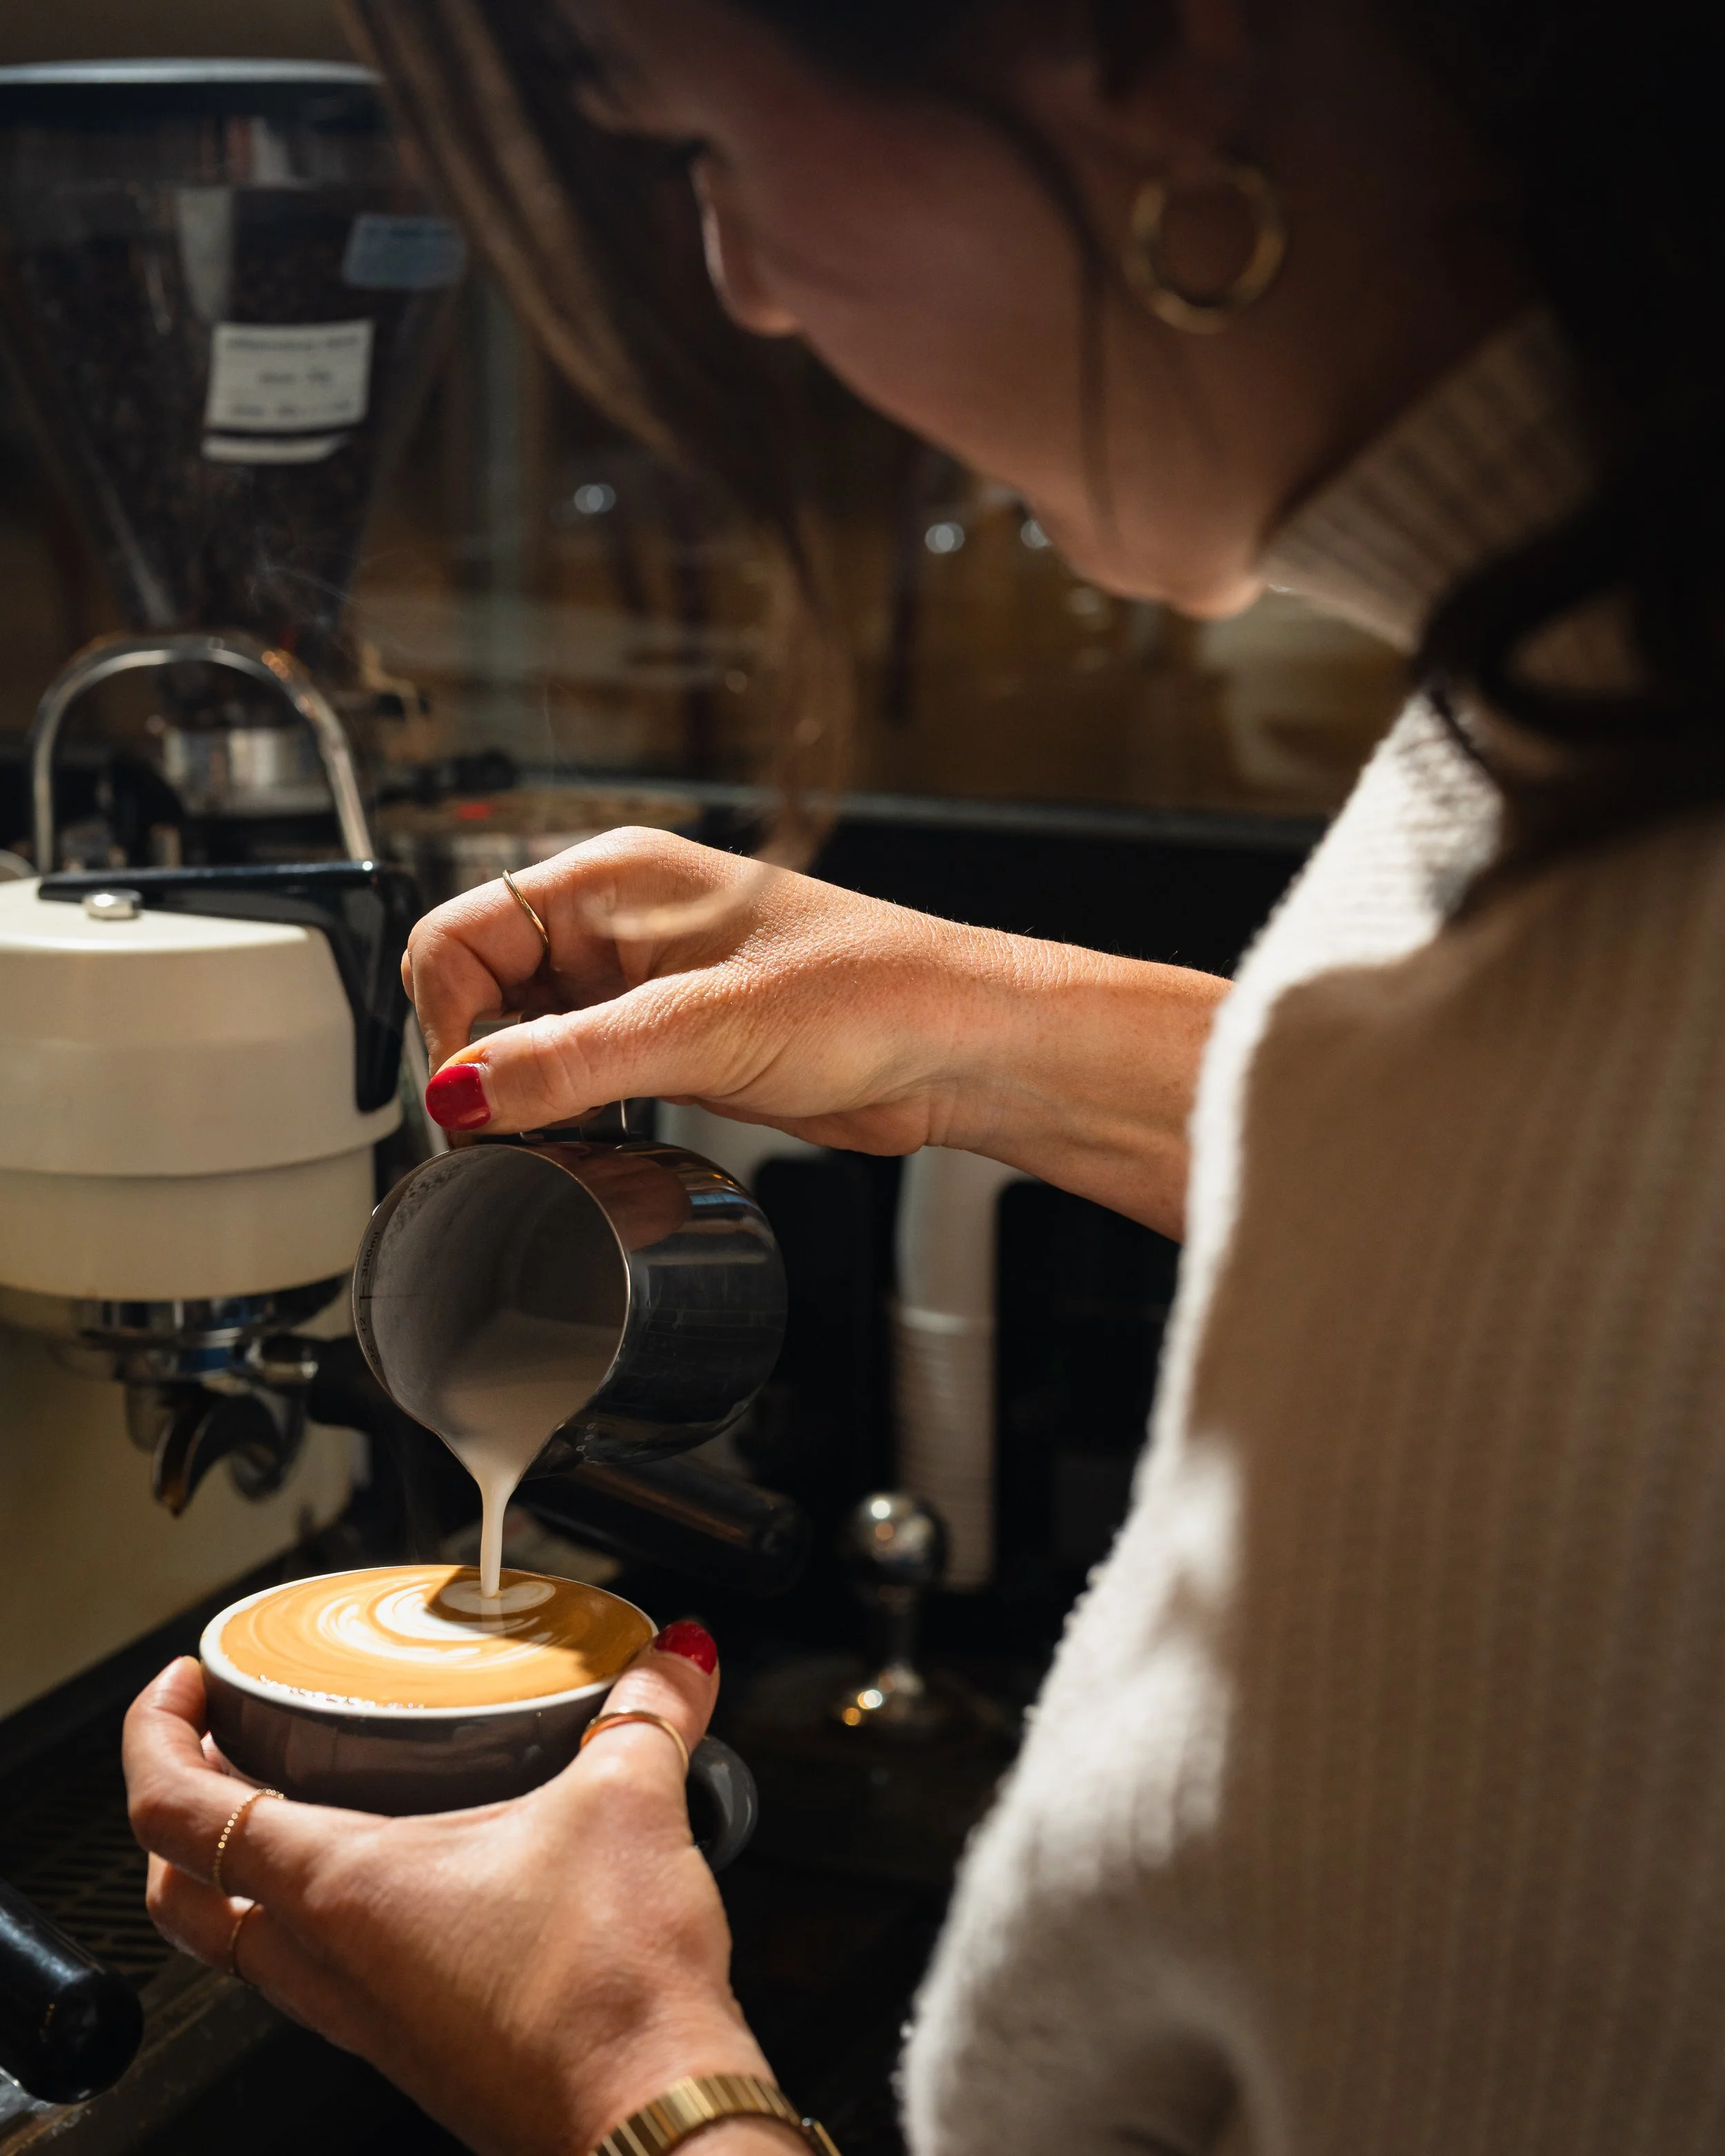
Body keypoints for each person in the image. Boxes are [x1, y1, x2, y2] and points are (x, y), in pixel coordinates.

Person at [124, 1, 1725, 2151]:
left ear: (1139, 48)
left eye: (696, 139)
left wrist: (621, 2076)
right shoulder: (1576, 702)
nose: (742, 283)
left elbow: (1577, 1185)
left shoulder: (1628, 924)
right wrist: (989, 1026)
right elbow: (1544, 1188)